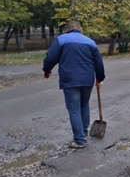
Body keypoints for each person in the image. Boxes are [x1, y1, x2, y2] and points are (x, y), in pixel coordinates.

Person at [42, 20, 105, 149]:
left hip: (70, 80)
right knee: (84, 105)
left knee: (74, 109)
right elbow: (98, 62)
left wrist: (46, 69)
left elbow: (50, 57)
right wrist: (99, 78)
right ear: (79, 28)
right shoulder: (90, 42)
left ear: (67, 29)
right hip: (87, 80)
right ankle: (83, 134)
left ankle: (79, 140)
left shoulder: (61, 40)